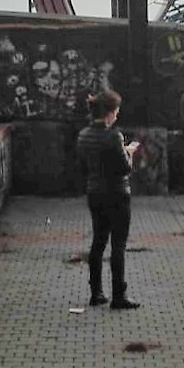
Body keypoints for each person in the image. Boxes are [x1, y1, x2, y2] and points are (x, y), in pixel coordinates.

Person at [76, 89, 141, 309]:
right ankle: (119, 296)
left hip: (95, 193)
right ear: (110, 112)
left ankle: (96, 293)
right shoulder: (114, 136)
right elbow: (124, 168)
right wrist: (129, 152)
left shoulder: (84, 135)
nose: (117, 115)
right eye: (116, 111)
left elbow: (85, 165)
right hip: (117, 194)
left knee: (98, 241)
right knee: (118, 245)